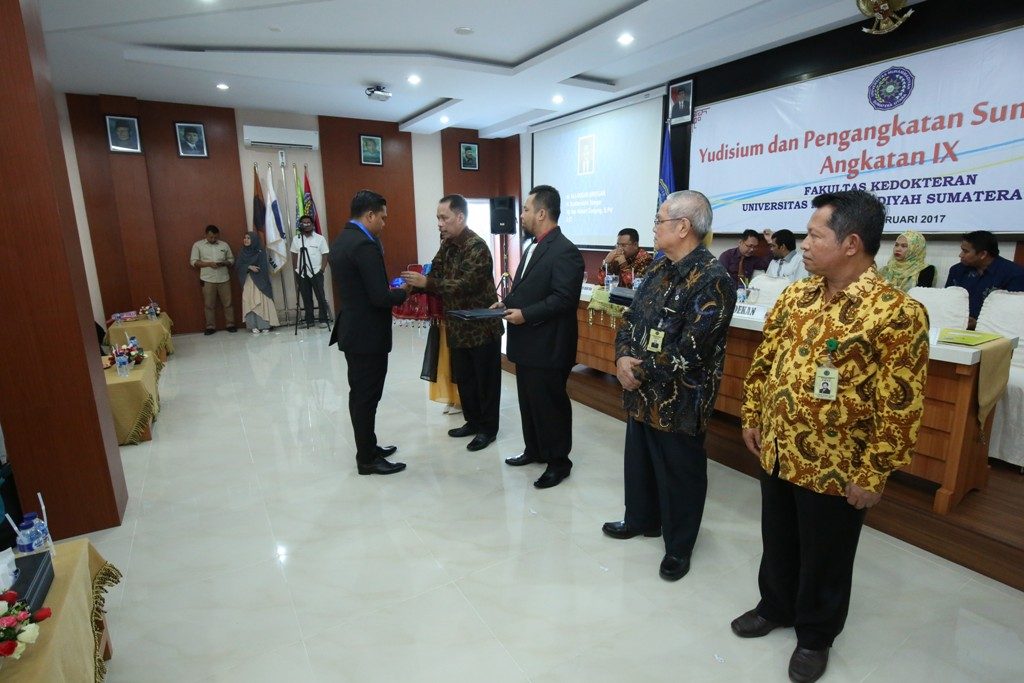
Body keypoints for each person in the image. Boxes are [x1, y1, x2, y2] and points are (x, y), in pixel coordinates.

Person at [733, 190, 929, 683]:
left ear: (851, 243)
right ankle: (775, 605)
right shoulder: (796, 295)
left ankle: (816, 635)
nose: (804, 243)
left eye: (815, 235)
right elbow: (765, 361)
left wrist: (874, 473)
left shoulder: (896, 313)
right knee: (778, 537)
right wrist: (752, 414)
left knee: (827, 554)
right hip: (779, 448)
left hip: (837, 465)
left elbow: (900, 406)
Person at [602, 190, 736, 582]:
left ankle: (679, 547)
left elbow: (692, 350)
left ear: (683, 227)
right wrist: (622, 357)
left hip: (682, 400)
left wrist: (638, 370)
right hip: (641, 393)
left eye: (659, 220)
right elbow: (630, 318)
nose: (654, 227)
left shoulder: (714, 280)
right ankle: (641, 519)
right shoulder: (659, 268)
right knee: (639, 462)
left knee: (680, 475)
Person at [401, 194, 502, 452]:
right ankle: (473, 421)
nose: (440, 223)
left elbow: (465, 285)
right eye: (438, 218)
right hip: (457, 327)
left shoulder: (477, 247)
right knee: (465, 380)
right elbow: (435, 273)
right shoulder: (447, 246)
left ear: (460, 217)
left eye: (444, 218)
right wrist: (412, 286)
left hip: (481, 329)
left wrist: (428, 283)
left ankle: (488, 429)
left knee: (486, 383)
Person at [501, 185, 585, 489]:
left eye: (525, 209)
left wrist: (526, 314)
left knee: (550, 405)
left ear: (541, 213)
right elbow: (527, 289)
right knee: (529, 401)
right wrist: (506, 304)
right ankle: (534, 449)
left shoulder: (565, 251)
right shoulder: (532, 246)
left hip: (549, 344)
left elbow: (564, 299)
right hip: (528, 343)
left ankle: (559, 462)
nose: (521, 215)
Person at [328, 190, 409, 476]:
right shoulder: (365, 244)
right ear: (370, 215)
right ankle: (367, 458)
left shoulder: (342, 239)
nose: (384, 224)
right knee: (366, 397)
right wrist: (405, 291)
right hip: (367, 334)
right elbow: (379, 296)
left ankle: (369, 447)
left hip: (353, 329)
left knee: (362, 395)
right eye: (382, 218)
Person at [945, 230, 1024, 329]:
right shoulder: (957, 270)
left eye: (965, 251)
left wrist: (978, 324)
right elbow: (947, 301)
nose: (960, 255)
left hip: (994, 331)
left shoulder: (1015, 274)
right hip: (954, 327)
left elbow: (1013, 315)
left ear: (983, 254)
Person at [189, 225, 236, 335]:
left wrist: (225, 263)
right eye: (211, 237)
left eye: (215, 237)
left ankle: (231, 325)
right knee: (209, 305)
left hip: (224, 278)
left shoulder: (224, 245)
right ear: (205, 235)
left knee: (228, 303)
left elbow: (231, 259)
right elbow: (193, 262)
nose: (213, 239)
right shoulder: (198, 245)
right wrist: (208, 264)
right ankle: (210, 327)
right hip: (207, 280)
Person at [291, 214, 331, 328]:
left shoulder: (320, 238)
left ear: (313, 225)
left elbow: (325, 254)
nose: (307, 225)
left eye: (309, 223)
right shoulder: (297, 239)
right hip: (302, 273)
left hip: (316, 272)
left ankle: (323, 320)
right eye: (304, 223)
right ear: (300, 225)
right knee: (306, 297)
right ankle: (310, 321)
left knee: (320, 296)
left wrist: (322, 270)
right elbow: (294, 255)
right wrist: (296, 270)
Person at [235, 231, 279, 334]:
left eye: (248, 238)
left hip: (260, 281)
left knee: (262, 301)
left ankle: (265, 325)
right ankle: (253, 325)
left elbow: (264, 268)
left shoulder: (260, 251)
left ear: (254, 240)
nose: (246, 240)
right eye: (245, 238)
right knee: (249, 302)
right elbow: (238, 266)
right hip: (247, 280)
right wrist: (248, 266)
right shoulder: (242, 252)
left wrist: (257, 273)